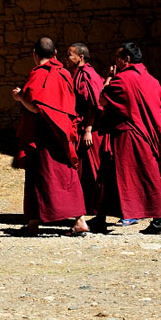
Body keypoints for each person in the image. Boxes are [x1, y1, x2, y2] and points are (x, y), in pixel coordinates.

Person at [89, 43, 161, 235]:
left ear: (126, 60)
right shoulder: (153, 81)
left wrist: (108, 78)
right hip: (149, 136)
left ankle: (101, 218)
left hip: (127, 136)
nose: (115, 62)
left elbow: (102, 100)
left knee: (110, 174)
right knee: (149, 177)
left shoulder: (121, 80)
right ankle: (157, 222)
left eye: (118, 58)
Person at [12, 37, 88, 236]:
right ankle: (78, 220)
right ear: (54, 54)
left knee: (39, 177)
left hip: (43, 135)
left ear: (34, 54)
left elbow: (36, 107)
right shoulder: (64, 73)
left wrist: (20, 97)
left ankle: (34, 224)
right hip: (62, 132)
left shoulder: (38, 74)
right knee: (66, 175)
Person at [65, 43, 105, 218]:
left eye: (70, 55)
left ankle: (99, 209)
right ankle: (87, 207)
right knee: (83, 170)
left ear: (80, 58)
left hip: (91, 131)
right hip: (80, 127)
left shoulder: (88, 75)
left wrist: (88, 129)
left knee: (93, 170)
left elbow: (93, 104)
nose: (66, 59)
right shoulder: (76, 74)